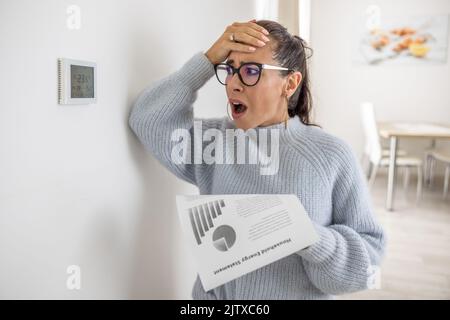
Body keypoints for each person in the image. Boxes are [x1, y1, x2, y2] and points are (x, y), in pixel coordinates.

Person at [128, 19, 386, 300]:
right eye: (229, 70)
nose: (234, 85)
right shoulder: (215, 143)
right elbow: (148, 118)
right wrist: (208, 59)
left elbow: (368, 265)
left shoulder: (332, 155)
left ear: (289, 84)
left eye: (251, 71)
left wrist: (308, 236)